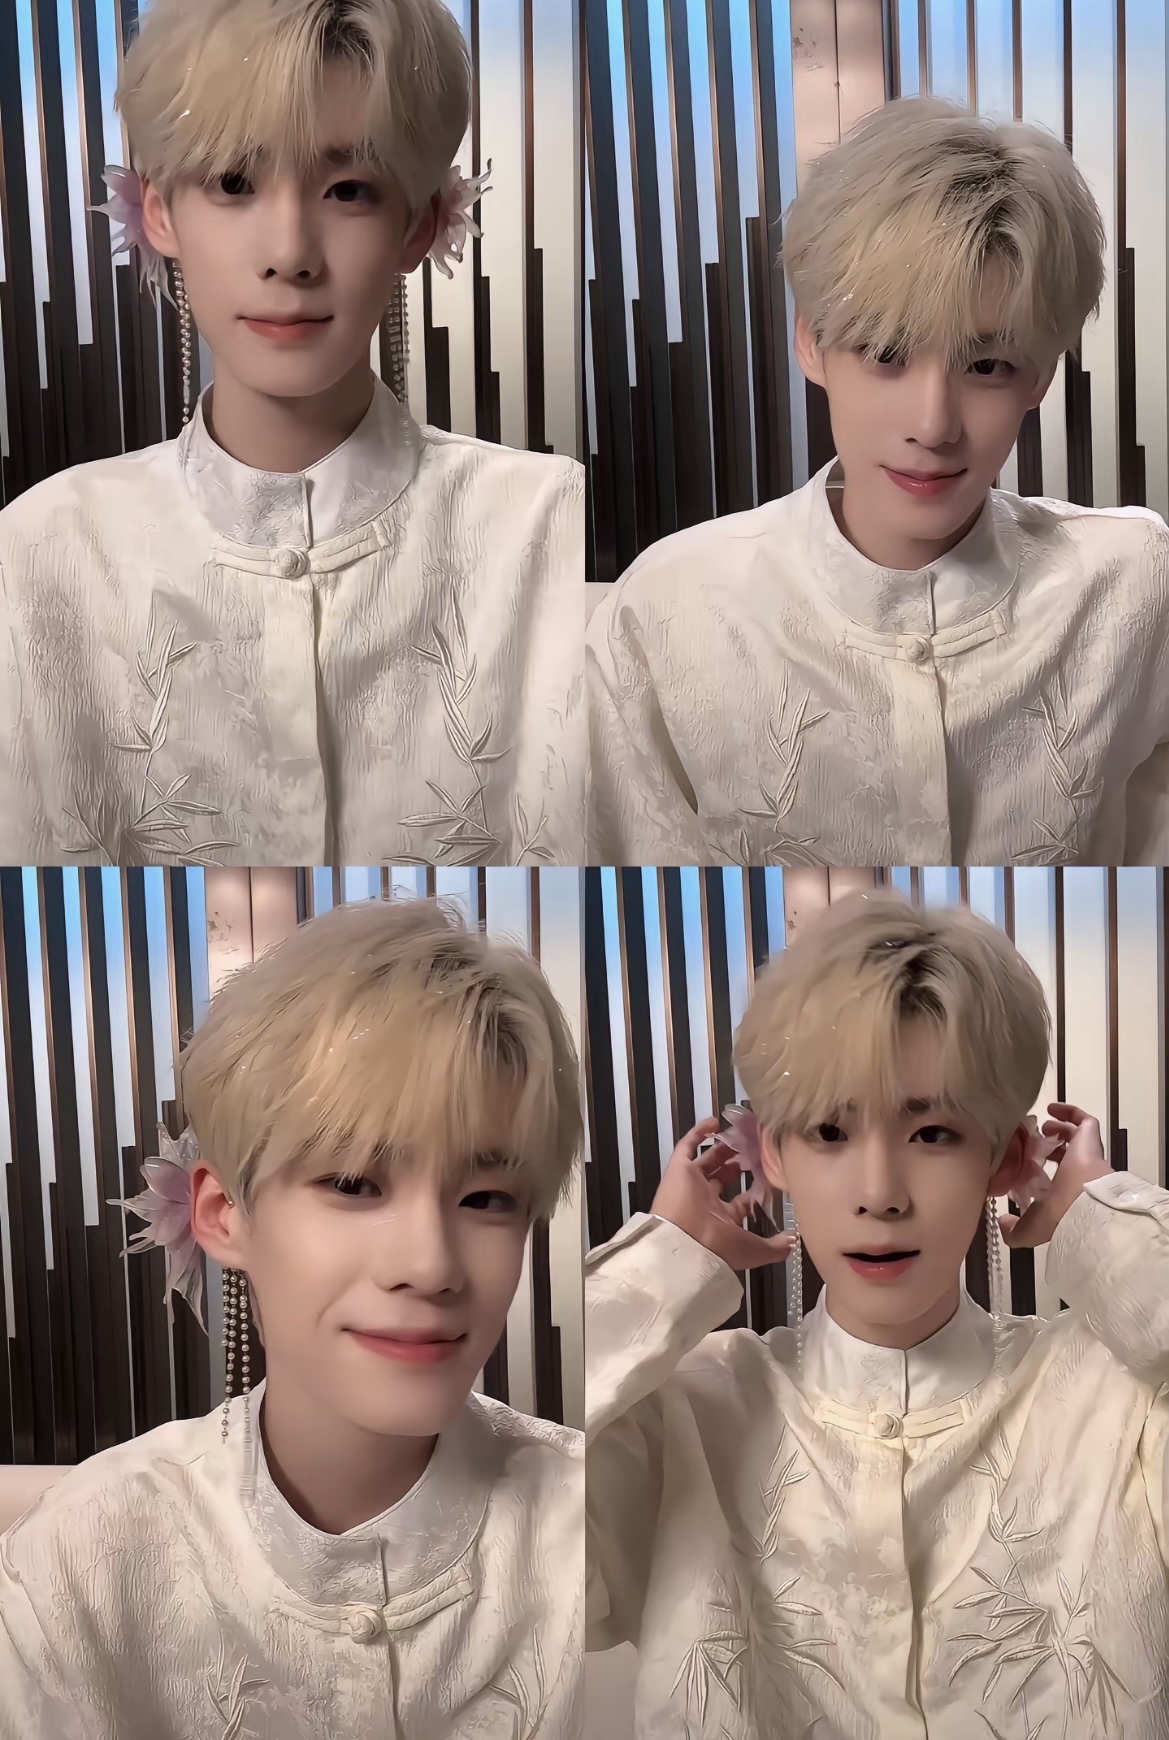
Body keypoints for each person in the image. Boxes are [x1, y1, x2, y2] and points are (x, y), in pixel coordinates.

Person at [0, 0, 583, 867]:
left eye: (348, 190)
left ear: (419, 224)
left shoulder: (545, 524)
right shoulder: (41, 551)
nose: (289, 253)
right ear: (159, 211)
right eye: (234, 183)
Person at [586, 891, 1169, 1737]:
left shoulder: (1117, 1399)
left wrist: (1103, 1220)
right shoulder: (683, 1413)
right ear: (772, 1153)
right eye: (828, 1131)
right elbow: (483, 1500)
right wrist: (660, 1262)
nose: (879, 1195)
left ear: (1003, 1157)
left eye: (931, 1134)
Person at [0, 896, 584, 1739]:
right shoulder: (78, 1563)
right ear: (223, 1215)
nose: (429, 1265)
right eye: (352, 1184)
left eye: (487, 1198)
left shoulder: (595, 1530)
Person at [586, 95, 1169, 867]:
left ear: (1038, 375)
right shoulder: (667, 611)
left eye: (986, 366)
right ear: (811, 342)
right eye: (887, 353)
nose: (932, 424)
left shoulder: (1132, 581)